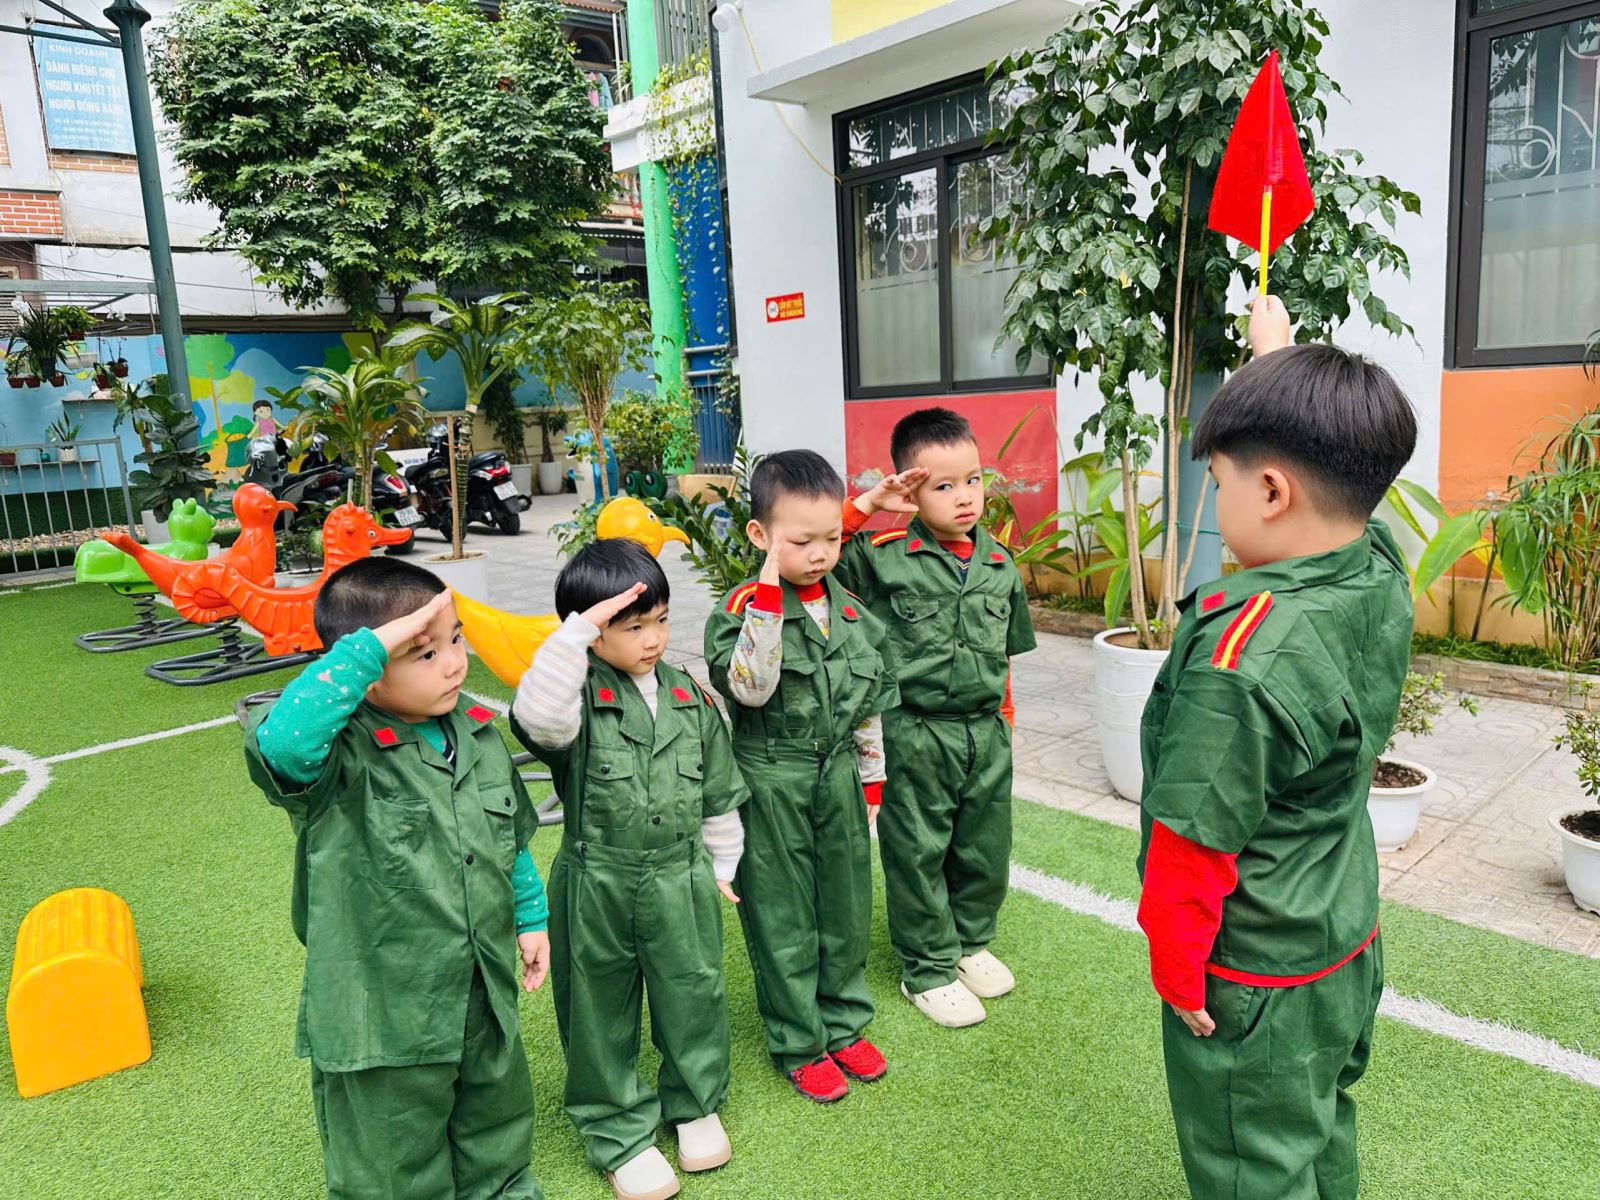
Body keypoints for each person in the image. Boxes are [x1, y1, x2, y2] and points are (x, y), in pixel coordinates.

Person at [1135, 295, 1417, 1199]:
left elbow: (1193, 840)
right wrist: (1275, 358)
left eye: (1219, 483)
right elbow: (1322, 473)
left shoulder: (1243, 656)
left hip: (1254, 969)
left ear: (1270, 492)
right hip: (1342, 933)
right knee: (1320, 1123)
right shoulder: (1376, 563)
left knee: (1250, 1166)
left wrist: (1178, 973)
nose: (1216, 500)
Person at [242, 557, 549, 1200]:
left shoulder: (475, 731)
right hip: (382, 1011)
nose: (455, 664)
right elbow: (283, 746)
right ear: (367, 671)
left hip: (479, 988)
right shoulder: (339, 752)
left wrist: (530, 917)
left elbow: (510, 838)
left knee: (495, 1127)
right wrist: (367, 651)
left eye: (456, 640)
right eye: (423, 653)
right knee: (390, 1161)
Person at [510, 538, 748, 1200]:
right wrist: (573, 637)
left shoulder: (690, 696)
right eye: (633, 626)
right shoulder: (574, 695)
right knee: (597, 1005)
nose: (653, 639)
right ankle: (617, 1129)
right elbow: (537, 719)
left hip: (680, 874)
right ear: (591, 631)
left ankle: (694, 1102)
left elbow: (717, 789)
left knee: (692, 991)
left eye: (662, 620)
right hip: (597, 880)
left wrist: (724, 861)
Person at [704, 450, 900, 1103]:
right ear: (760, 535)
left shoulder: (850, 609)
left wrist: (871, 782)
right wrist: (766, 597)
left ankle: (842, 1025)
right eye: (801, 541)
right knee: (782, 914)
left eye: (832, 539)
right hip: (770, 776)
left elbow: (867, 705)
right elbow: (751, 689)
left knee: (845, 905)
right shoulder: (741, 609)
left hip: (838, 773)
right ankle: (799, 1041)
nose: (820, 555)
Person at [836, 409, 1037, 1028]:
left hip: (985, 730)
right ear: (910, 489)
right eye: (943, 486)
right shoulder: (883, 556)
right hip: (915, 731)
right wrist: (868, 505)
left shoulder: (1000, 564)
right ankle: (926, 967)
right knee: (918, 850)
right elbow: (815, 552)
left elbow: (1004, 654)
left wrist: (1005, 722)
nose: (965, 497)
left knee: (984, 846)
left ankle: (969, 941)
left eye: (973, 480)